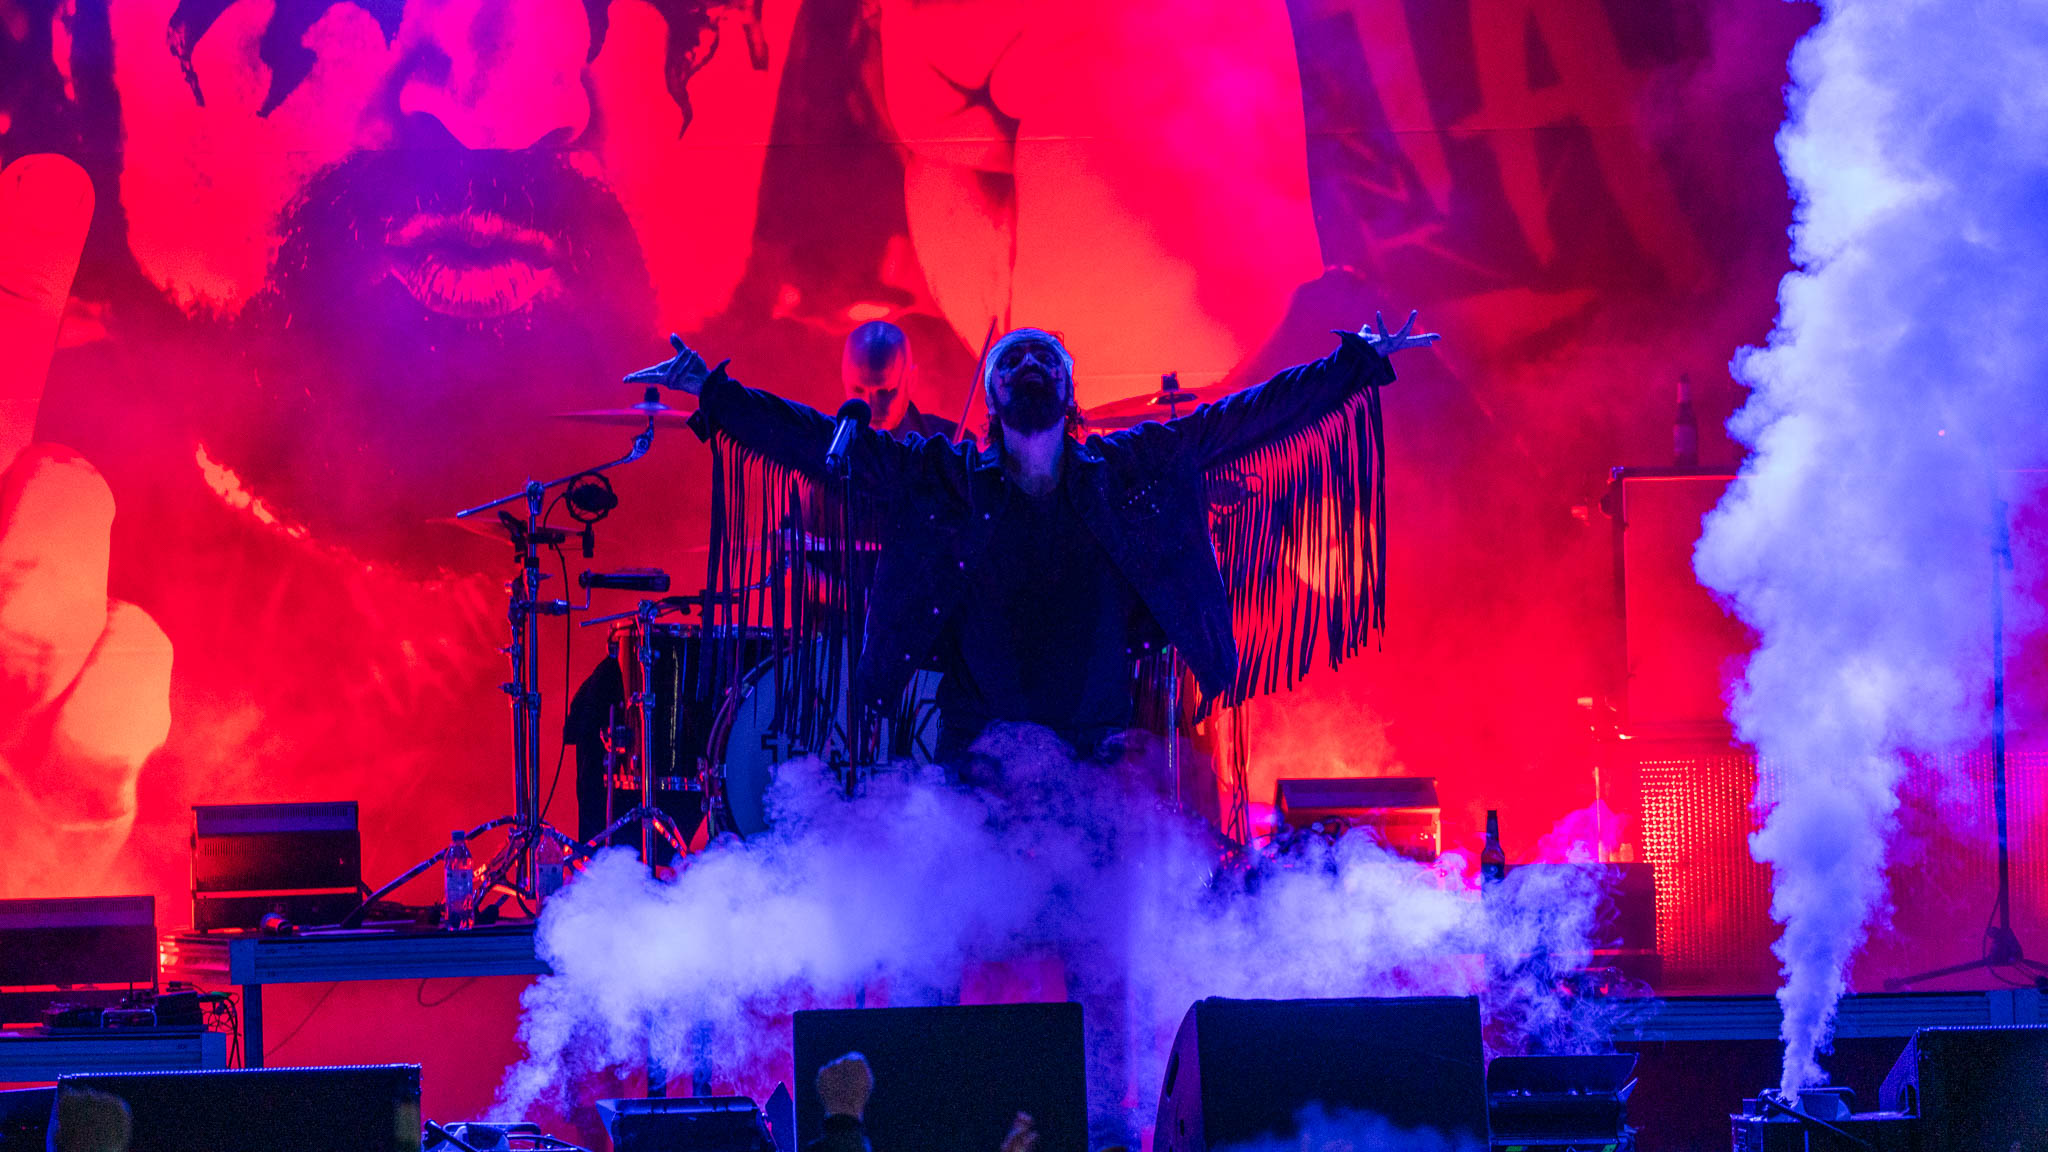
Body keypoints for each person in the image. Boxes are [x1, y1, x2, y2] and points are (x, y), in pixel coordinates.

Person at [648, 312, 1437, 769]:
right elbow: (813, 439)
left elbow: (1245, 417)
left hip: (1099, 746)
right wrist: (717, 394)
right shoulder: (940, 476)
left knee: (1096, 966)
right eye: (1012, 357)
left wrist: (1351, 369)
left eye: (1044, 356)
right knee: (969, 957)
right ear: (992, 396)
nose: (1028, 362)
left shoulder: (1130, 467)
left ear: (1069, 388)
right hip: (977, 751)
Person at [842, 321, 956, 442]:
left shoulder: (953, 442)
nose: (870, 406)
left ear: (911, 381)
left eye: (884, 392)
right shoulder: (829, 443)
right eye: (858, 390)